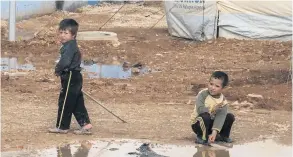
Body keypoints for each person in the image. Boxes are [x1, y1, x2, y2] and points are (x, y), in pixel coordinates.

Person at [48, 18, 92, 135]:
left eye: (66, 33)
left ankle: (62, 127)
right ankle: (85, 124)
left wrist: (58, 69)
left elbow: (65, 62)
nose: (62, 35)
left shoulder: (69, 47)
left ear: (73, 35)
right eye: (61, 32)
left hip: (71, 76)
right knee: (76, 102)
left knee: (65, 102)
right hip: (75, 77)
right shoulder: (70, 45)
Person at [190, 71, 235, 145]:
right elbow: (200, 110)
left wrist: (214, 132)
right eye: (211, 84)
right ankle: (202, 137)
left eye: (217, 86)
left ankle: (223, 136)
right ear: (208, 83)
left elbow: (220, 117)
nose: (212, 88)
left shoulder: (223, 101)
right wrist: (213, 109)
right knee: (205, 116)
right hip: (198, 123)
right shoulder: (203, 94)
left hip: (211, 124)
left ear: (223, 88)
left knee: (230, 116)